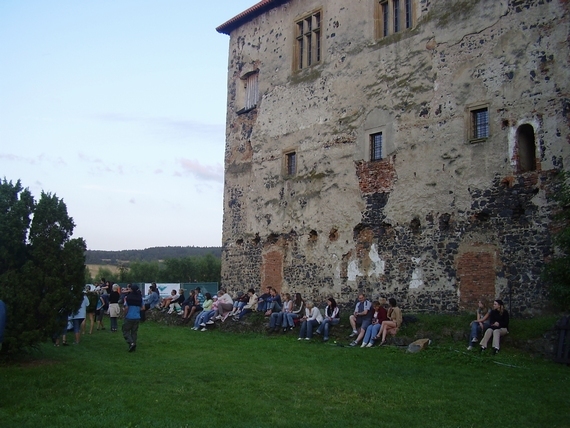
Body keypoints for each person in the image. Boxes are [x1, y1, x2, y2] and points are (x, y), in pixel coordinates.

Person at [122, 284, 143, 352]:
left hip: (129, 316)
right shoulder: (140, 298)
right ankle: (133, 346)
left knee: (125, 331)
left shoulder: (128, 297)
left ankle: (131, 343)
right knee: (134, 332)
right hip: (137, 317)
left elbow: (126, 308)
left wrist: (124, 314)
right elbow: (143, 308)